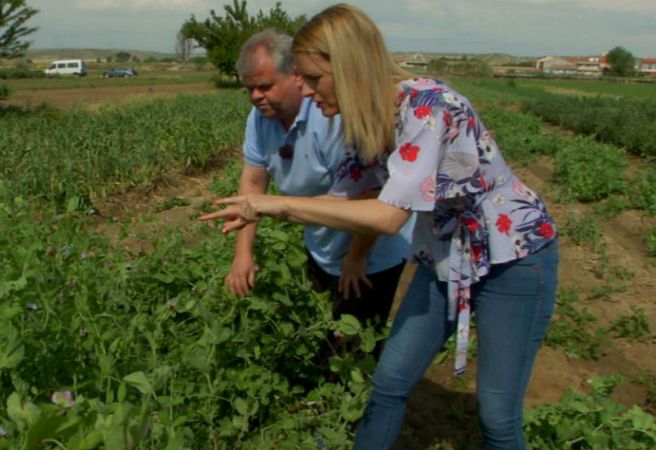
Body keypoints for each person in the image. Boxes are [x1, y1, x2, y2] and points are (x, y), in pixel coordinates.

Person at [200, 5, 559, 449]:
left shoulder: (428, 105)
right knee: (388, 382)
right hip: (443, 257)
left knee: (497, 415)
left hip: (513, 260)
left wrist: (275, 205)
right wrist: (265, 208)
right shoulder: (363, 124)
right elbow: (343, 201)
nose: (307, 91)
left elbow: (388, 216)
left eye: (314, 78)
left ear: (347, 67)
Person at [227, 29, 413, 353]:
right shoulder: (258, 120)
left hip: (372, 251)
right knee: (323, 338)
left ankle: (362, 398)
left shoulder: (333, 116)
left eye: (265, 86)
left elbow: (372, 193)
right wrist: (243, 253)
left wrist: (357, 259)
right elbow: (253, 182)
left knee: (355, 347)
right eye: (249, 89)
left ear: (296, 76)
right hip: (320, 243)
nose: (256, 96)